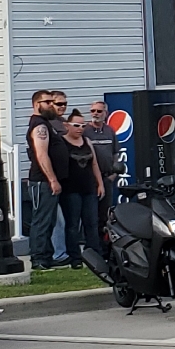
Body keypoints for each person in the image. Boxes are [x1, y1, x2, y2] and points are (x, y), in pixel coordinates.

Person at [27, 89, 69, 270]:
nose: (52, 105)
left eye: (53, 102)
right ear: (37, 105)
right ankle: (38, 258)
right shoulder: (39, 126)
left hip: (48, 181)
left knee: (51, 220)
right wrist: (52, 179)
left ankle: (48, 254)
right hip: (42, 182)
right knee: (42, 220)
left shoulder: (47, 123)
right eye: (48, 102)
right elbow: (42, 155)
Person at [59, 110, 105, 269]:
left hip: (89, 188)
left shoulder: (87, 141)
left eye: (83, 125)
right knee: (73, 224)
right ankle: (75, 257)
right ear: (67, 125)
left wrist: (100, 183)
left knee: (91, 222)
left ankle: (94, 253)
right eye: (76, 125)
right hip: (70, 189)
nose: (80, 128)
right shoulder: (62, 142)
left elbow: (94, 164)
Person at [84, 100, 119, 249]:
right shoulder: (85, 130)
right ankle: (92, 246)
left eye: (99, 111)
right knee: (91, 215)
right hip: (90, 180)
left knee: (105, 215)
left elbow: (116, 153)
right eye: (93, 111)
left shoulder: (110, 131)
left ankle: (105, 246)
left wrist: (114, 174)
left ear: (106, 113)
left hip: (107, 178)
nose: (95, 114)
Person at [48, 90, 70, 266]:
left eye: (64, 104)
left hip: (68, 178)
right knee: (56, 219)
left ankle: (65, 251)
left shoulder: (64, 123)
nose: (62, 107)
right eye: (58, 104)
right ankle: (58, 255)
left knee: (67, 218)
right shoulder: (47, 125)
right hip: (50, 179)